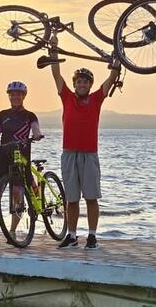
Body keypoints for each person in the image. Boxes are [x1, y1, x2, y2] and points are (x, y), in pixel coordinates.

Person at [48, 53, 120, 249]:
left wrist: (117, 61)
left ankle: (92, 236)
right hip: (69, 153)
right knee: (71, 199)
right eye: (79, 82)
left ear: (90, 85)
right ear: (75, 84)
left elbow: (111, 79)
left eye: (85, 83)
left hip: (89, 154)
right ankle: (72, 235)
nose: (81, 85)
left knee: (91, 197)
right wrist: (53, 51)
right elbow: (56, 75)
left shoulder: (96, 99)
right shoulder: (67, 98)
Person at [0, 81, 42, 244]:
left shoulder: (30, 115)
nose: (15, 97)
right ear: (9, 96)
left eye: (18, 94)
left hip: (21, 159)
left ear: (23, 96)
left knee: (17, 198)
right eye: (12, 94)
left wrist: (37, 135)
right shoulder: (2, 115)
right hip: (3, 159)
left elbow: (35, 129)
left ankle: (12, 232)